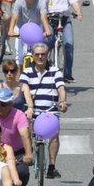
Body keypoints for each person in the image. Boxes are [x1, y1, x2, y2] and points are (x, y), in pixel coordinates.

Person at [21, 41, 70, 178]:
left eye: (43, 54)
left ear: (47, 55)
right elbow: (24, 88)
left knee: (54, 135)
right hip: (34, 110)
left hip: (50, 110)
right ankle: (30, 152)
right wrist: (29, 107)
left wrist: (63, 102)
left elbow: (61, 88)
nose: (40, 57)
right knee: (28, 128)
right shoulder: (27, 72)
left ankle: (52, 165)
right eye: (37, 55)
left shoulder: (55, 71)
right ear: (33, 56)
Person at [40, 0, 84, 85]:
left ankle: (67, 74)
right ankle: (42, 68)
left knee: (69, 44)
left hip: (64, 21)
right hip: (50, 20)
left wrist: (78, 12)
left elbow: (75, 3)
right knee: (47, 42)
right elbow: (41, 5)